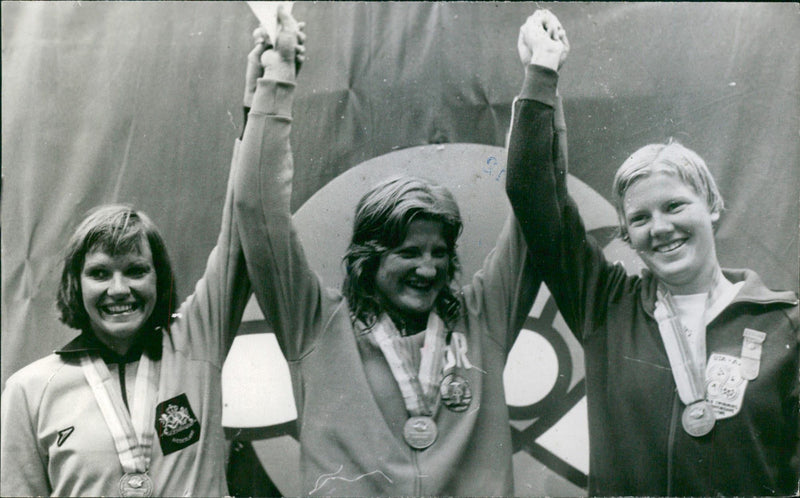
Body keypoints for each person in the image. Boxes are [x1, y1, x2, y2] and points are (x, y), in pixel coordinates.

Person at [233, 8, 540, 496]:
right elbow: (257, 209)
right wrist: (275, 84)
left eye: (440, 252)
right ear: (368, 257)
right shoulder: (315, 322)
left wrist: (541, 82)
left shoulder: (483, 319)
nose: (428, 267)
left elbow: (538, 209)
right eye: (407, 252)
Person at [0, 20, 306, 497]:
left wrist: (260, 99)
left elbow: (239, 232)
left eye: (136, 270)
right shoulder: (29, 390)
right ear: (74, 285)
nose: (118, 289)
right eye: (100, 273)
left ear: (159, 280)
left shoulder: (195, 344)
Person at [505, 9, 800, 496]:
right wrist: (543, 70)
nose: (659, 228)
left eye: (675, 206)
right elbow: (534, 194)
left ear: (712, 206)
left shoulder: (783, 323)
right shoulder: (605, 304)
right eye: (639, 219)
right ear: (627, 234)